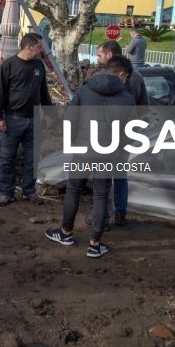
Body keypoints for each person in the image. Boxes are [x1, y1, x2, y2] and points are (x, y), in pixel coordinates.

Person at [44, 56, 135, 258]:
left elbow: (69, 118)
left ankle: (65, 233)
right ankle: (95, 244)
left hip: (82, 152)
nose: (126, 81)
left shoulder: (85, 91)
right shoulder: (127, 99)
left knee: (74, 189)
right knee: (101, 195)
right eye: (126, 77)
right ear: (121, 74)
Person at [0, 33, 53, 207]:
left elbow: (43, 92)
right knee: (7, 158)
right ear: (29, 47)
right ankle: (5, 192)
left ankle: (29, 191)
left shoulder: (39, 66)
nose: (42, 50)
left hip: (33, 119)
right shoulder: (9, 65)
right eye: (39, 47)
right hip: (11, 119)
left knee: (32, 159)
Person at [95, 40, 149, 226]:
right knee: (119, 175)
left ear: (110, 55)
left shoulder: (116, 78)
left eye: (100, 55)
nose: (98, 59)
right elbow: (144, 108)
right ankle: (119, 213)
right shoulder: (138, 77)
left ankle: (105, 216)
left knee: (104, 178)